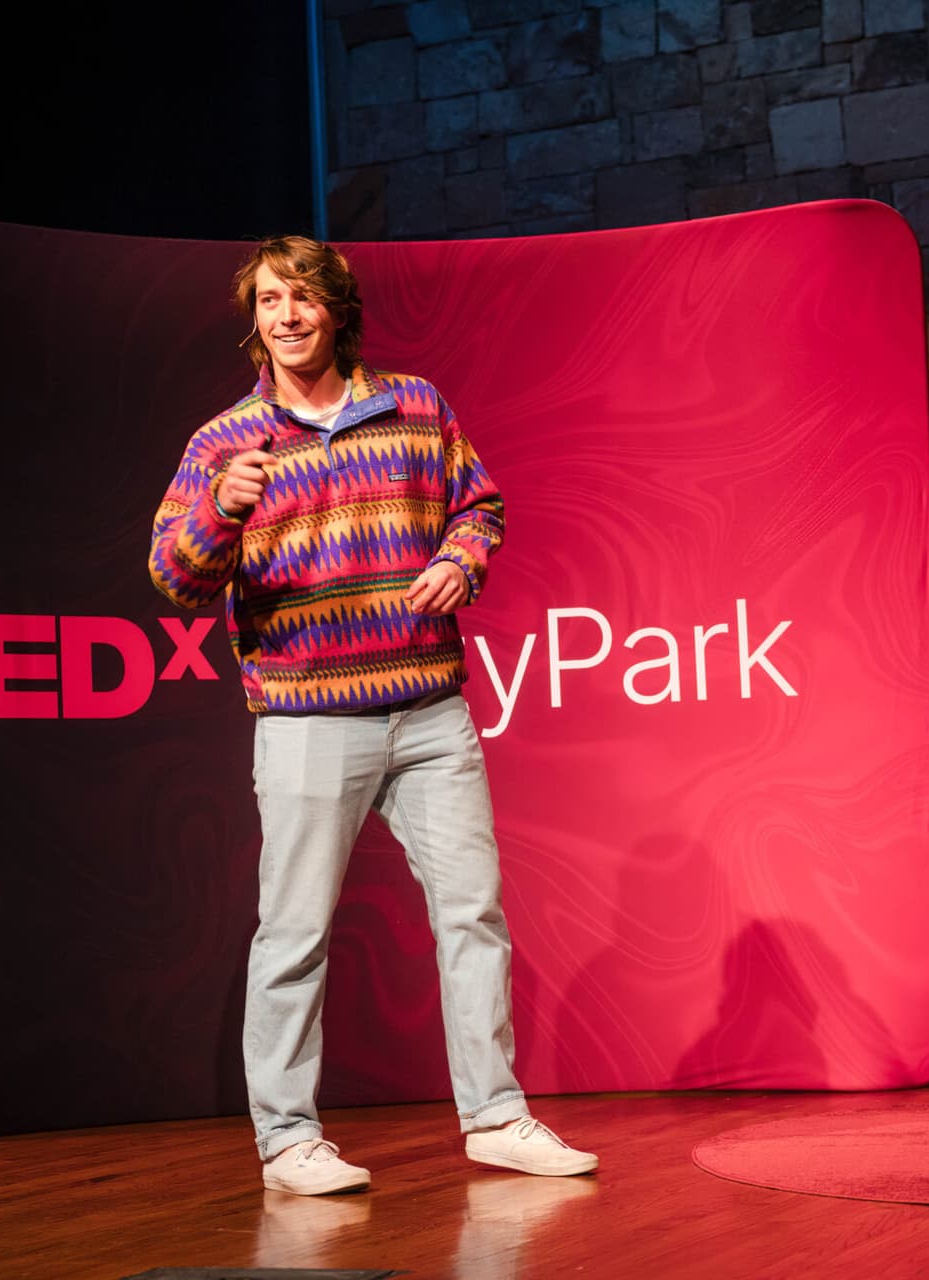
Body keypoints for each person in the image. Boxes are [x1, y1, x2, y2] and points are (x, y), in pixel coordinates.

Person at [147, 235, 595, 1195]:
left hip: (429, 711)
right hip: (310, 718)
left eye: (303, 297)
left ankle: (496, 1117)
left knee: (473, 915)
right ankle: (287, 1140)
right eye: (270, 301)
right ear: (254, 320)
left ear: (337, 310)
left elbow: (479, 506)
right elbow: (175, 578)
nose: (287, 316)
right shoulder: (226, 442)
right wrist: (219, 509)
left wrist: (461, 561)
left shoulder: (415, 406)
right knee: (295, 931)